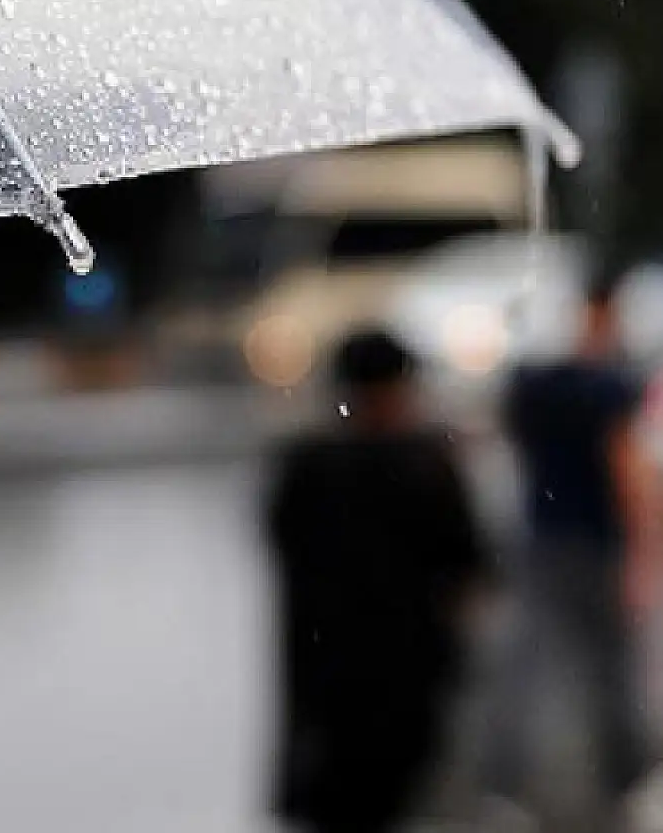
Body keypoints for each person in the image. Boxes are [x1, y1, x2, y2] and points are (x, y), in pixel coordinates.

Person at [267, 328, 491, 833]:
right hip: (403, 682)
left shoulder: (307, 466)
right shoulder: (422, 465)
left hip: (327, 686)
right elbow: (468, 568)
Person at [483, 272, 659, 825]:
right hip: (595, 545)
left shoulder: (533, 386)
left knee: (531, 665)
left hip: (545, 544)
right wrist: (644, 553)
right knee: (611, 670)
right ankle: (626, 780)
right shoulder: (606, 389)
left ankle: (508, 785)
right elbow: (628, 471)